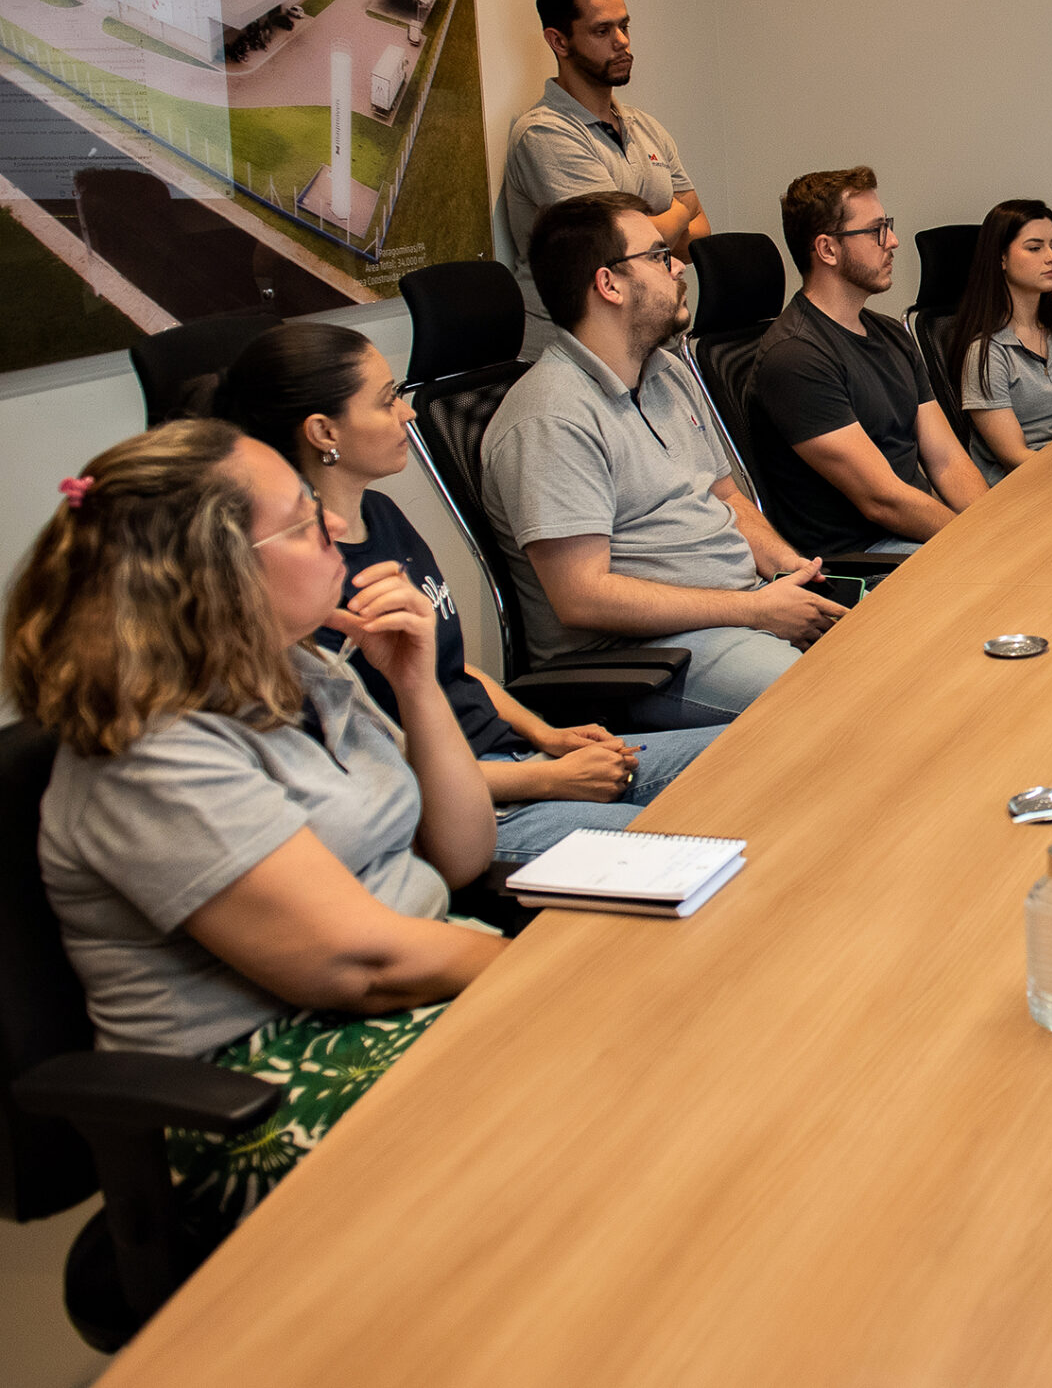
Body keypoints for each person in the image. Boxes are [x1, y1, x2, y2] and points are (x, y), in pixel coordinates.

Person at [6, 420, 505, 1232]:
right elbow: (358, 966)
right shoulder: (149, 750)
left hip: (400, 991)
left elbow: (459, 855)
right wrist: (539, 972)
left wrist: (416, 686)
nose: (338, 524)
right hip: (257, 1087)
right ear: (221, 573)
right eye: (306, 519)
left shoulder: (302, 666)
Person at [214, 323, 727, 866]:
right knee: (693, 851)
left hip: (517, 758)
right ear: (324, 432)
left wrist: (549, 736)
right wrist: (545, 778)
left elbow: (455, 669)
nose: (408, 414)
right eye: (387, 402)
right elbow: (379, 763)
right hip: (474, 804)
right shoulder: (305, 581)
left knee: (755, 759)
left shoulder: (382, 516)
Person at [482, 191, 843, 727]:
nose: (679, 265)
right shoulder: (549, 418)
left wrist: (793, 572)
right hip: (643, 658)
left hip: (740, 612)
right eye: (657, 255)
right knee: (842, 697)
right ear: (609, 284)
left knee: (895, 648)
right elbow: (583, 597)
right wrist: (755, 611)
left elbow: (724, 497)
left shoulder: (666, 371)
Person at [749, 168, 986, 555]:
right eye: (876, 230)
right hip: (865, 560)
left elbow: (947, 460)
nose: (892, 241)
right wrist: (975, 541)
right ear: (827, 249)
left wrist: (989, 525)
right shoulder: (794, 357)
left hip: (915, 537)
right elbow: (882, 500)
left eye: (887, 226)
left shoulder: (891, 333)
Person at [500, 0, 710, 345]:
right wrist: (680, 210)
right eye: (602, 31)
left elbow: (698, 238)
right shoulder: (545, 133)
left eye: (624, 26)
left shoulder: (644, 125)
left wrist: (651, 237)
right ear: (559, 41)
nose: (622, 42)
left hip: (650, 341)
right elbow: (614, 249)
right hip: (577, 352)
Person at [946, 199, 1052, 482]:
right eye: (1035, 248)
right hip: (1028, 484)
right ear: (1001, 258)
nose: (1051, 257)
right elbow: (1013, 456)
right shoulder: (986, 351)